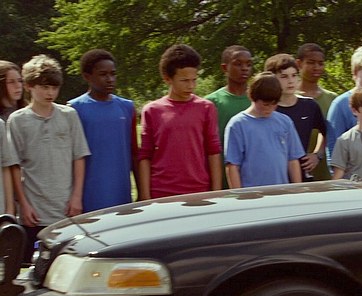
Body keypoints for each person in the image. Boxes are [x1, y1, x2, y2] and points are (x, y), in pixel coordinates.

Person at [6, 54, 90, 263]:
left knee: (65, 264)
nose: (50, 93)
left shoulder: (69, 115)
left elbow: (79, 156)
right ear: (29, 86)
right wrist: (23, 204)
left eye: (54, 87)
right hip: (34, 210)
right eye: (44, 87)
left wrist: (77, 197)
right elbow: (14, 165)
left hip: (66, 208)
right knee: (32, 266)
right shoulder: (18, 120)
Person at [138, 44, 222, 200]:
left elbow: (213, 151)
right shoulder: (152, 110)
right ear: (167, 79)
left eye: (194, 80)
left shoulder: (206, 108)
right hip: (162, 192)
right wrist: (145, 196)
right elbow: (145, 155)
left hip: (199, 191)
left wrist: (216, 192)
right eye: (184, 80)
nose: (191, 86)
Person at [69, 49, 138, 212]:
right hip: (88, 196)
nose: (110, 79)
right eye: (103, 74)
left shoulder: (127, 107)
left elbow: (135, 153)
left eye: (113, 74)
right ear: (87, 76)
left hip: (121, 193)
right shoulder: (74, 109)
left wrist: (142, 192)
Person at [224, 72, 304, 188]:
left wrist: (298, 189)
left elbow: (293, 159)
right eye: (265, 104)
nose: (270, 108)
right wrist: (239, 194)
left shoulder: (285, 122)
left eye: (274, 104)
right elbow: (232, 165)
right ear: (253, 97)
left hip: (281, 191)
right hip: (251, 193)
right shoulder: (238, 124)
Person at [264, 53, 328, 181]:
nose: (290, 81)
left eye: (294, 75)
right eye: (284, 76)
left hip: (302, 174)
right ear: (272, 79)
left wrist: (317, 154)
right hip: (273, 176)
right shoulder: (266, 109)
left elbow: (326, 132)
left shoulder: (309, 105)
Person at [205, 45, 253, 188]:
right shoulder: (211, 102)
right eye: (238, 64)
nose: (245, 68)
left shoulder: (259, 100)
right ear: (225, 68)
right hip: (222, 178)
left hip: (255, 177)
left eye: (249, 64)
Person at [295, 43, 337, 116]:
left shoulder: (332, 99)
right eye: (311, 63)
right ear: (299, 64)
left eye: (320, 64)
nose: (316, 68)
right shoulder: (288, 96)